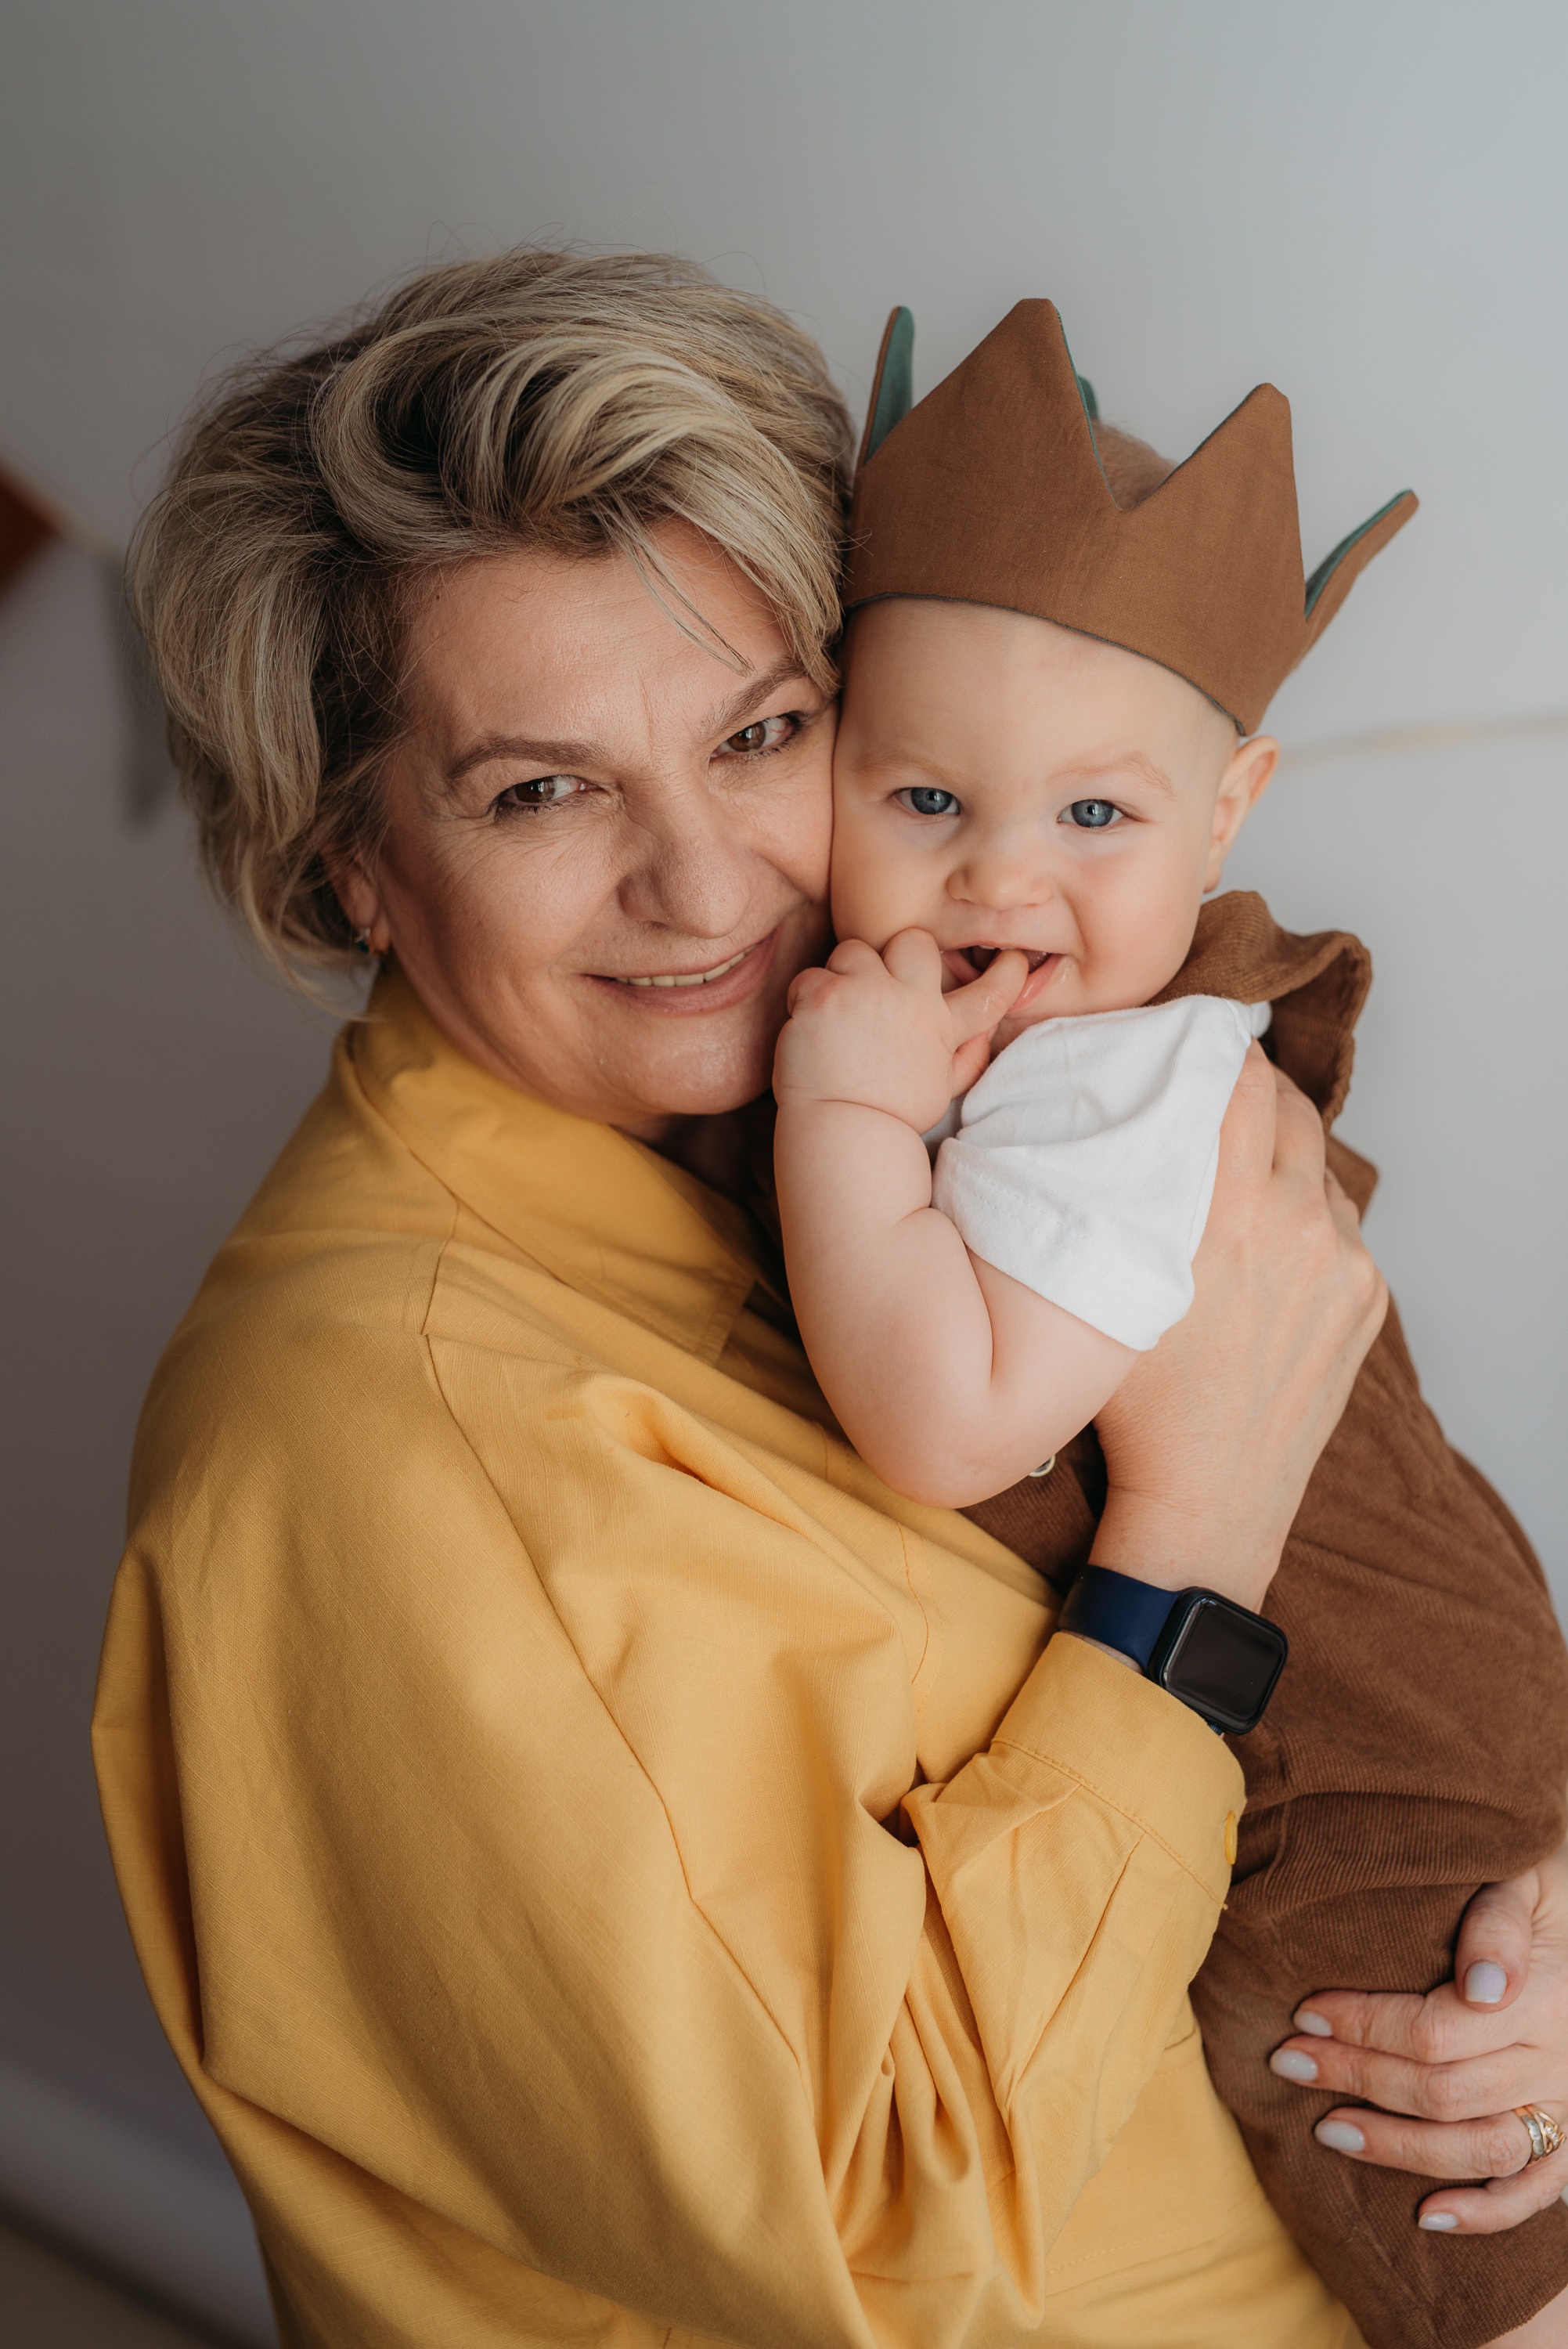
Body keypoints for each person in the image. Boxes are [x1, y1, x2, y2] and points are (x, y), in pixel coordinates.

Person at [90, 250, 1568, 2349]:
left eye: (763, 732)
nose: (702, 885)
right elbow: (878, 2239)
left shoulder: (915, 1113)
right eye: (539, 787)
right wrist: (1190, 1549)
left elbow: (1387, 1603)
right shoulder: (380, 1446)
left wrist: (1510, 1937)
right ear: (351, 862)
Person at [773, 297, 1568, 2348]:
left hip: (1351, 1781)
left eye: (1094, 820)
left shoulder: (1087, 1088)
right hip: (1435, 1695)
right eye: (922, 797)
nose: (999, 880)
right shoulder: (1098, 1025)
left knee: (1457, 2211)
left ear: (1228, 817)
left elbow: (951, 1424)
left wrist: (844, 1111)